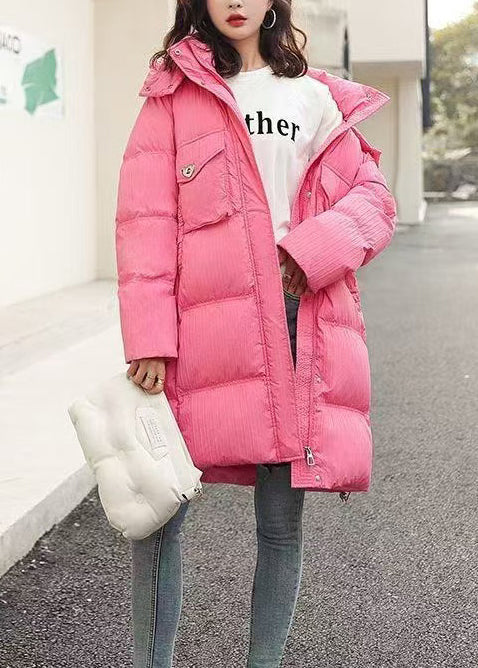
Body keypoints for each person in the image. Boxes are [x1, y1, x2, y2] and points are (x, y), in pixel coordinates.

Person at [114, 1, 398, 666]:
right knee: (159, 515)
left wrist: (313, 249)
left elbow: (373, 200)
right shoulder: (174, 96)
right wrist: (150, 336)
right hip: (198, 326)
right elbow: (145, 219)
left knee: (278, 526)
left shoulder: (317, 97)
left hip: (295, 318)